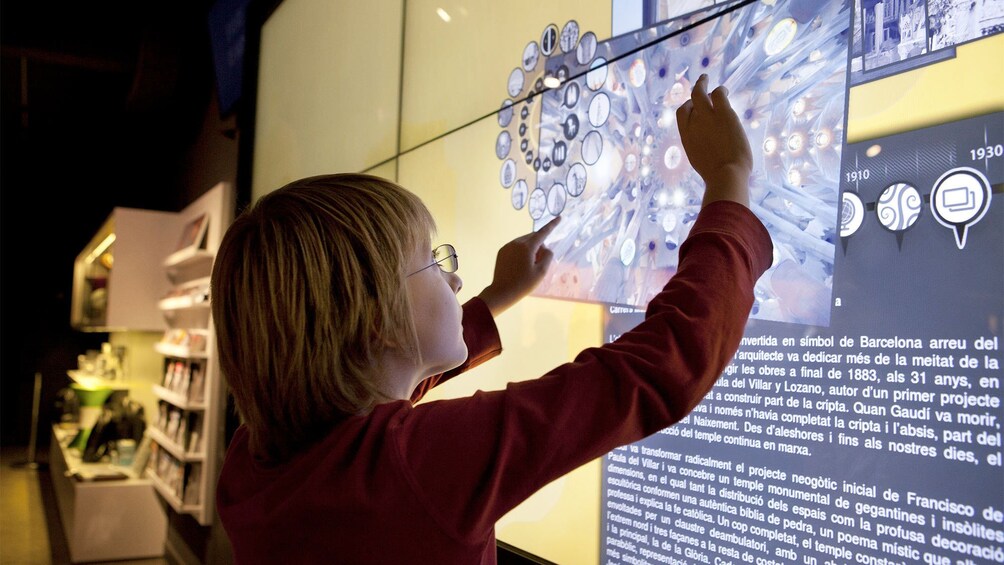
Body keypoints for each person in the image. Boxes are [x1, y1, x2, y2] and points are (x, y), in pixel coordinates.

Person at [211, 74, 772, 564]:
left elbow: (370, 404)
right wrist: (728, 178)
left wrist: (495, 300)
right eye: (432, 260)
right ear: (375, 319)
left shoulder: (253, 461)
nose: (452, 278)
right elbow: (655, 371)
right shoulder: (420, 469)